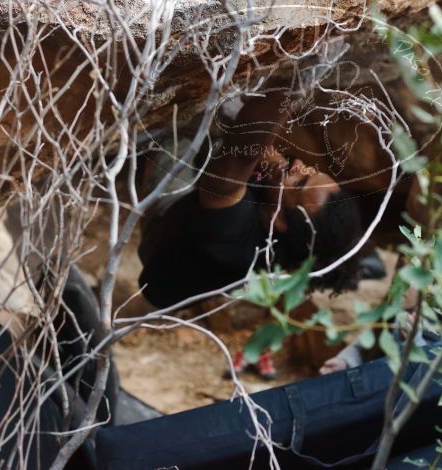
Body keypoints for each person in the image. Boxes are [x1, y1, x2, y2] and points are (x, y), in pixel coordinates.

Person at [138, 90, 365, 379]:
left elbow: (244, 147)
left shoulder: (232, 230)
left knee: (187, 118)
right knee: (236, 130)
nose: (299, 165)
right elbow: (266, 159)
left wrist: (291, 88)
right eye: (310, 170)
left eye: (300, 180)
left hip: (165, 237)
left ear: (280, 220)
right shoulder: (288, 228)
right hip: (203, 233)